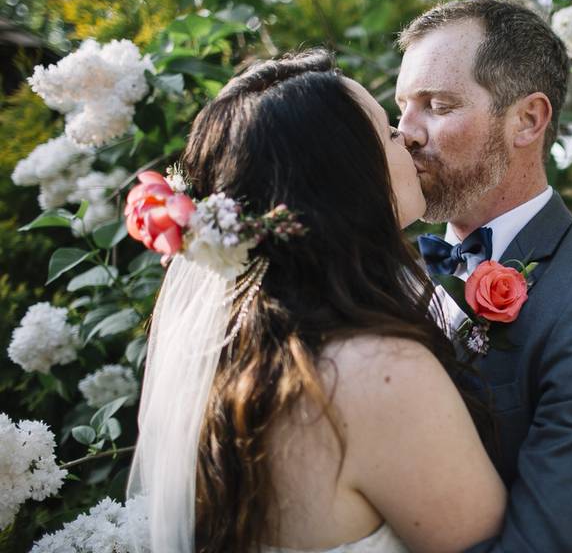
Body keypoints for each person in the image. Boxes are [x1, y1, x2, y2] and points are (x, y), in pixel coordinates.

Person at [127, 50, 507, 552]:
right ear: (346, 174)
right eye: (387, 133)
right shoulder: (371, 371)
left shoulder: (239, 364)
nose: (407, 136)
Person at [396, 0, 572, 552]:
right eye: (402, 106)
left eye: (438, 105)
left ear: (527, 120)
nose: (407, 133)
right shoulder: (386, 276)